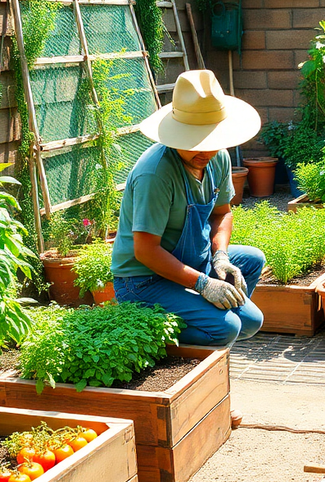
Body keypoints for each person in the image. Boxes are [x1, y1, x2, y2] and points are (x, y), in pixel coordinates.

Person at [109, 70, 265, 347]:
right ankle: (145, 333)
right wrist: (204, 285)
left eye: (212, 141)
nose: (206, 151)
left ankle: (206, 320)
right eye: (196, 142)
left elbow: (222, 213)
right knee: (226, 329)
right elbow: (145, 251)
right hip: (144, 279)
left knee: (251, 304)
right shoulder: (155, 173)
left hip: (192, 262)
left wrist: (220, 258)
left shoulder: (217, 159)